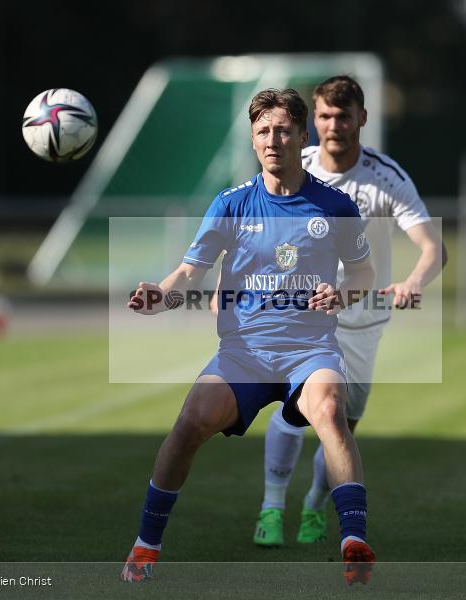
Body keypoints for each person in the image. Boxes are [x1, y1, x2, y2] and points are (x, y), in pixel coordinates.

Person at [121, 88, 377, 585]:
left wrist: (342, 294)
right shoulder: (231, 203)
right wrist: (161, 294)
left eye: (282, 130)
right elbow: (189, 273)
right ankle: (146, 546)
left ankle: (354, 542)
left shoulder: (335, 206)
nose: (272, 140)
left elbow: (364, 273)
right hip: (244, 354)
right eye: (263, 131)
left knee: (330, 411)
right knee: (190, 423)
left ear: (302, 135)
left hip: (309, 351)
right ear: (253, 139)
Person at [248, 76, 446, 547]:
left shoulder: (386, 177)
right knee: (298, 411)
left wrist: (413, 281)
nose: (333, 125)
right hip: (305, 317)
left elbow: (433, 248)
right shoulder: (298, 163)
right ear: (313, 121)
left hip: (362, 324)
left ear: (362, 118)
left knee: (340, 425)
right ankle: (271, 508)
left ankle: (315, 503)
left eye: (343, 116)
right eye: (324, 116)